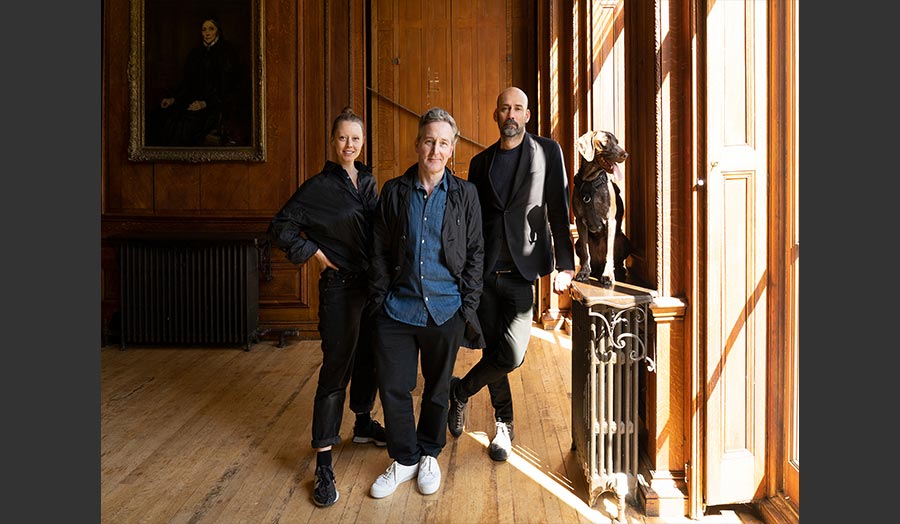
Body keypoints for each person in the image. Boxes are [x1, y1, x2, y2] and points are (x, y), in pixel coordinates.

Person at [447, 86, 576, 462]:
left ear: (527, 115)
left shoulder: (547, 151)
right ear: (496, 116)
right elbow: (473, 222)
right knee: (493, 350)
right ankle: (503, 425)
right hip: (485, 273)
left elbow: (558, 207)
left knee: (512, 354)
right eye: (504, 108)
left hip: (522, 272)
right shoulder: (480, 163)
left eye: (517, 108)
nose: (511, 115)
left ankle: (460, 391)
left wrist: (566, 264)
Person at [268, 107, 386, 508]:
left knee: (370, 358)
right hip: (339, 289)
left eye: (355, 138)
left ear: (363, 142)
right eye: (342, 138)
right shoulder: (317, 187)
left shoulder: (369, 182)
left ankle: (365, 422)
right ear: (332, 142)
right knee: (337, 368)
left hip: (372, 286)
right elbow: (280, 226)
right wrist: (315, 252)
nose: (349, 145)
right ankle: (323, 460)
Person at [367, 107, 485, 499]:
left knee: (436, 389)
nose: (435, 149)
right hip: (398, 309)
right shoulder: (395, 191)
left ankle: (430, 452)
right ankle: (405, 459)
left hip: (445, 309)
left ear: (452, 151)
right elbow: (380, 249)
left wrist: (466, 308)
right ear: (418, 145)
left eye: (444, 143)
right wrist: (381, 297)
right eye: (429, 141)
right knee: (394, 387)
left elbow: (475, 254)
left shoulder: (465, 195)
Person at [151, 16, 243, 146]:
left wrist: (205, 103)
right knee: (163, 116)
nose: (207, 33)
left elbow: (228, 86)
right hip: (191, 100)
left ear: (218, 31)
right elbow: (187, 82)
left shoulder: (227, 53)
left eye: (211, 29)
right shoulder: (195, 53)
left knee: (184, 125)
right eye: (204, 29)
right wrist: (173, 98)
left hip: (215, 105)